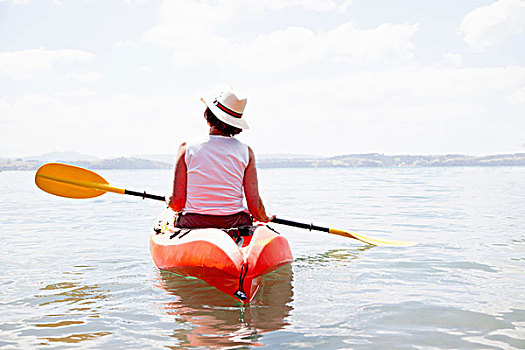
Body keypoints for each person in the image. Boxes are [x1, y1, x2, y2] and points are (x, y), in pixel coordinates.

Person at [167, 87, 275, 229]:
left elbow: (177, 204)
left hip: (194, 223)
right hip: (235, 223)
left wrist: (168, 200)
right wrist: (265, 217)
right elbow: (255, 208)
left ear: (208, 116)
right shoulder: (246, 152)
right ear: (236, 125)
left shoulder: (186, 148)